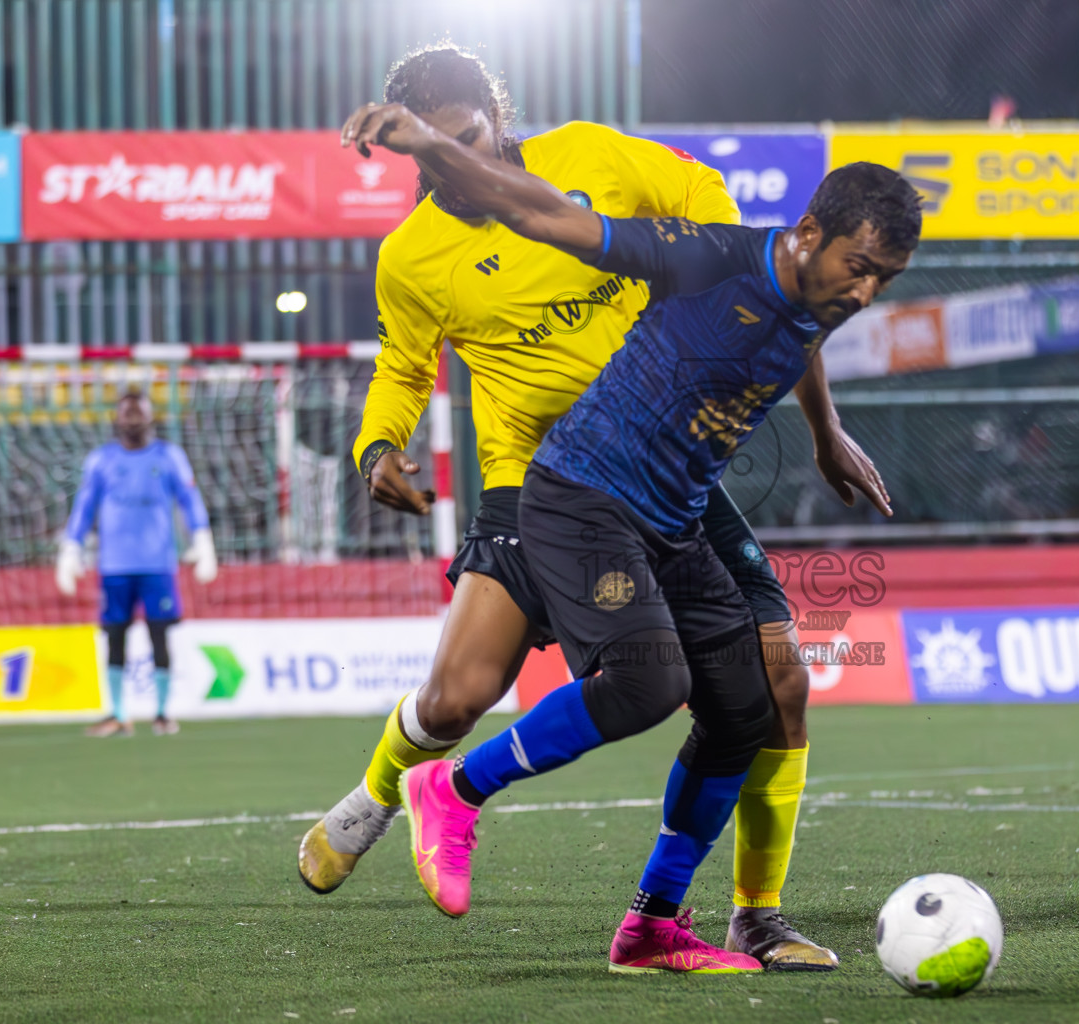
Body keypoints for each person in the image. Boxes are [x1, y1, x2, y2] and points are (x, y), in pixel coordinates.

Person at [301, 46, 890, 971]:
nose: (463, 157)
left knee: (776, 685)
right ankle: (380, 798)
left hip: (666, 473)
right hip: (535, 478)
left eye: (474, 138)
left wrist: (819, 418)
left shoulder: (596, 157)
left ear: (500, 117)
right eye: (440, 147)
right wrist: (378, 445)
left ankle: (751, 915)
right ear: (414, 152)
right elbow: (404, 367)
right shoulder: (411, 257)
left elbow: (767, 271)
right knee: (459, 697)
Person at [56, 390, 217, 736]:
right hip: (114, 566)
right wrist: (72, 546)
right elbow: (84, 507)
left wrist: (202, 539)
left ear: (150, 417)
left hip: (158, 564)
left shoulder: (169, 456)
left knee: (160, 634)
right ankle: (117, 713)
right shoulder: (101, 460)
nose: (131, 417)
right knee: (114, 637)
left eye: (137, 411)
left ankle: (161, 712)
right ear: (115, 418)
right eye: (125, 411)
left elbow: (190, 500)